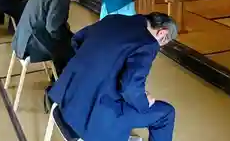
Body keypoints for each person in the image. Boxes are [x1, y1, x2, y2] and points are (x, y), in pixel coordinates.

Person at [48, 13, 178, 141]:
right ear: (162, 32)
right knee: (166, 114)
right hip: (90, 116)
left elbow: (77, 39)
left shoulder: (114, 18)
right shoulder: (148, 43)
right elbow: (129, 88)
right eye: (162, 43)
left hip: (65, 96)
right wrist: (144, 102)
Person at [12, 0, 90, 75]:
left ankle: (58, 73)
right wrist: (68, 39)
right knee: (72, 51)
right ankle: (60, 81)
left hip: (21, 36)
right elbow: (53, 29)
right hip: (31, 43)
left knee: (68, 39)